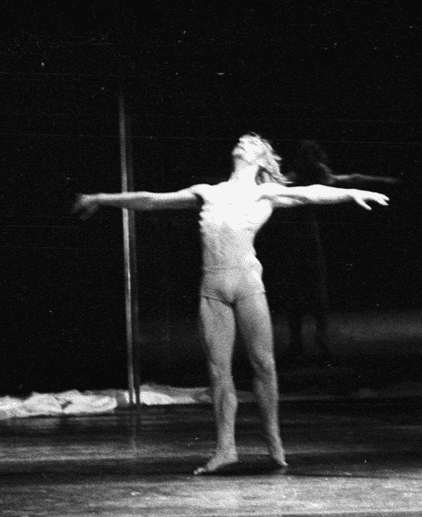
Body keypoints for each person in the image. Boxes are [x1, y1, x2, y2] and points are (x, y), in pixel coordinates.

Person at [75, 134, 388, 474]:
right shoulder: (207, 191)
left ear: (263, 158)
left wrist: (353, 193)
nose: (241, 142)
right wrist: (100, 197)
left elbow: (311, 192)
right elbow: (150, 200)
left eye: (250, 141)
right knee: (217, 370)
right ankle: (225, 449)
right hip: (212, 288)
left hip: (247, 285)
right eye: (240, 139)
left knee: (263, 365)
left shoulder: (264, 192)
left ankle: (273, 441)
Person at [268, 140, 399, 363]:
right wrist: (383, 181)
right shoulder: (303, 178)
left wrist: (381, 181)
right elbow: (351, 178)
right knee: (311, 293)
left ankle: (303, 341)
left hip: (296, 240)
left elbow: (350, 179)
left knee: (300, 294)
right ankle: (312, 340)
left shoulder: (297, 178)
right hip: (303, 239)